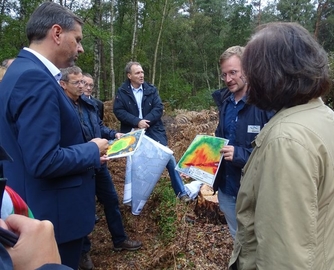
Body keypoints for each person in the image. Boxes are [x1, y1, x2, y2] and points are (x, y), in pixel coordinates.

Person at [229, 22, 334, 270]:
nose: (248, 80)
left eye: (251, 71)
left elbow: (283, 256)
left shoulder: (285, 140)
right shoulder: (329, 118)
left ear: (271, 73)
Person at [0, 2, 108, 269]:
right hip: (51, 217)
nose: (81, 48)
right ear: (57, 33)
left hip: (35, 208)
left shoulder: (18, 72)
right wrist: (92, 150)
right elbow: (43, 159)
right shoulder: (35, 79)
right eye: (78, 40)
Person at [60, 67, 142, 270]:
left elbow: (98, 127)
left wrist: (115, 135)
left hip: (100, 164)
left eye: (84, 82)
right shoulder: (61, 108)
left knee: (111, 200)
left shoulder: (90, 105)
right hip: (80, 166)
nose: (82, 86)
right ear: (63, 84)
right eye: (77, 83)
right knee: (85, 208)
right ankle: (84, 253)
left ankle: (119, 239)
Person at [211, 46, 274, 239]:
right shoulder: (226, 102)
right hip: (226, 189)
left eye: (233, 72)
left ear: (247, 69)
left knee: (257, 240)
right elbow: (220, 138)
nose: (228, 79)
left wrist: (239, 155)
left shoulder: (265, 104)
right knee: (237, 237)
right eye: (224, 75)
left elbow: (274, 152)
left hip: (253, 193)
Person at [113, 61, 191, 202]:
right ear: (129, 75)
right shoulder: (122, 92)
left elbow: (158, 108)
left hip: (154, 130)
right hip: (133, 133)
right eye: (137, 73)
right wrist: (137, 122)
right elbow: (119, 111)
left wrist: (145, 122)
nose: (141, 75)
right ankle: (136, 199)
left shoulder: (151, 89)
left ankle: (181, 192)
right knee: (137, 165)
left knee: (169, 158)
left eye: (142, 72)